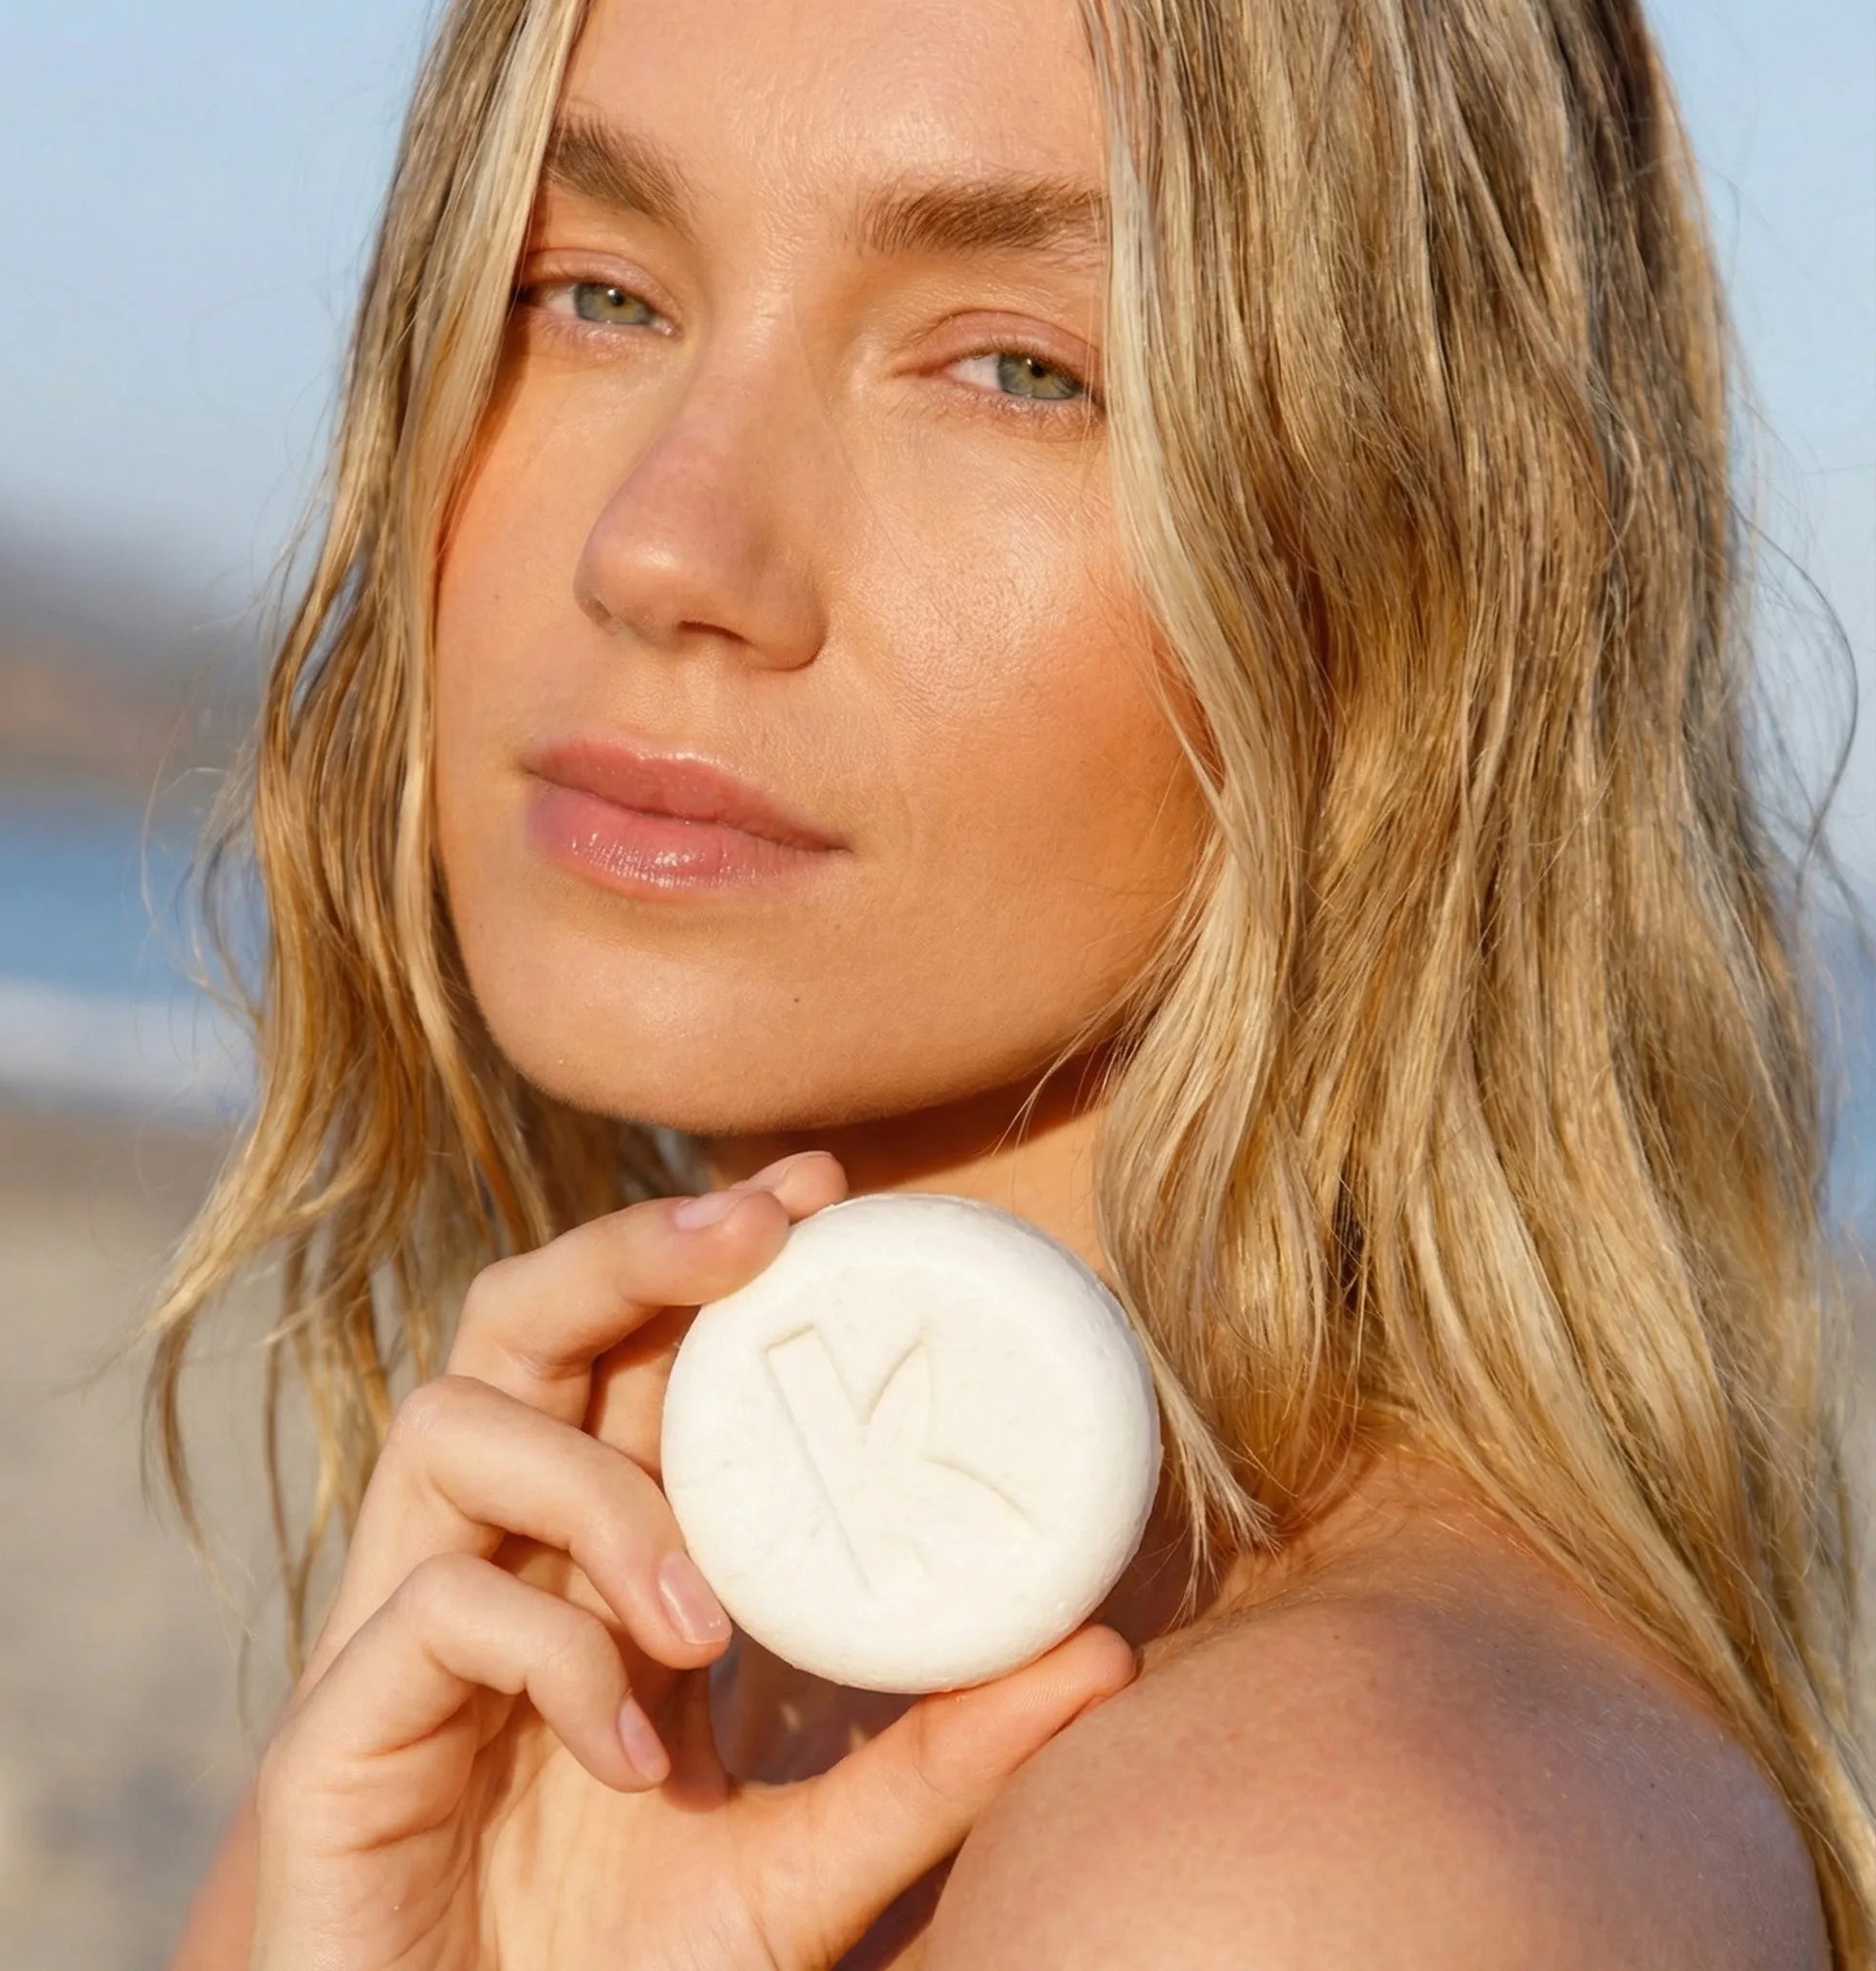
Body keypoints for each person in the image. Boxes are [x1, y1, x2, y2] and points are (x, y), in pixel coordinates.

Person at [143, 0, 1875, 1961]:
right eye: (594, 292)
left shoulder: (1298, 1871)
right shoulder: (535, 1739)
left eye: (1013, 368)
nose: (664, 545)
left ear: (1426, 572)